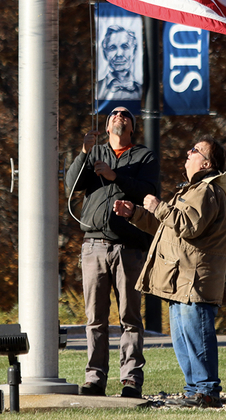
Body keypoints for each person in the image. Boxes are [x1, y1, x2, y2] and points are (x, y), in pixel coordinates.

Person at [113, 136, 226, 408]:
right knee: (183, 341)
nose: (188, 153)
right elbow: (170, 229)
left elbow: (188, 226)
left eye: (195, 150)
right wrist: (136, 215)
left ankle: (207, 392)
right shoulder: (192, 191)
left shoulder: (206, 191)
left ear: (207, 162)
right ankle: (194, 391)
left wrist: (158, 206)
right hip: (181, 282)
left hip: (194, 282)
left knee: (196, 338)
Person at [66, 107, 160, 398]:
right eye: (113, 115)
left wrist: (114, 175)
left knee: (130, 317)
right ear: (106, 128)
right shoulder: (95, 153)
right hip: (93, 246)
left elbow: (148, 190)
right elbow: (72, 185)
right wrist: (84, 152)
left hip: (129, 247)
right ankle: (95, 379)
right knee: (95, 318)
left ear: (132, 128)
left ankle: (131, 379)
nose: (119, 116)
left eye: (125, 115)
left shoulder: (144, 156)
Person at [96, 26, 141, 101]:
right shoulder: (97, 88)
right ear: (105, 53)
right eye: (112, 48)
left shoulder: (144, 90)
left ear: (134, 51)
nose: (119, 54)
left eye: (125, 47)